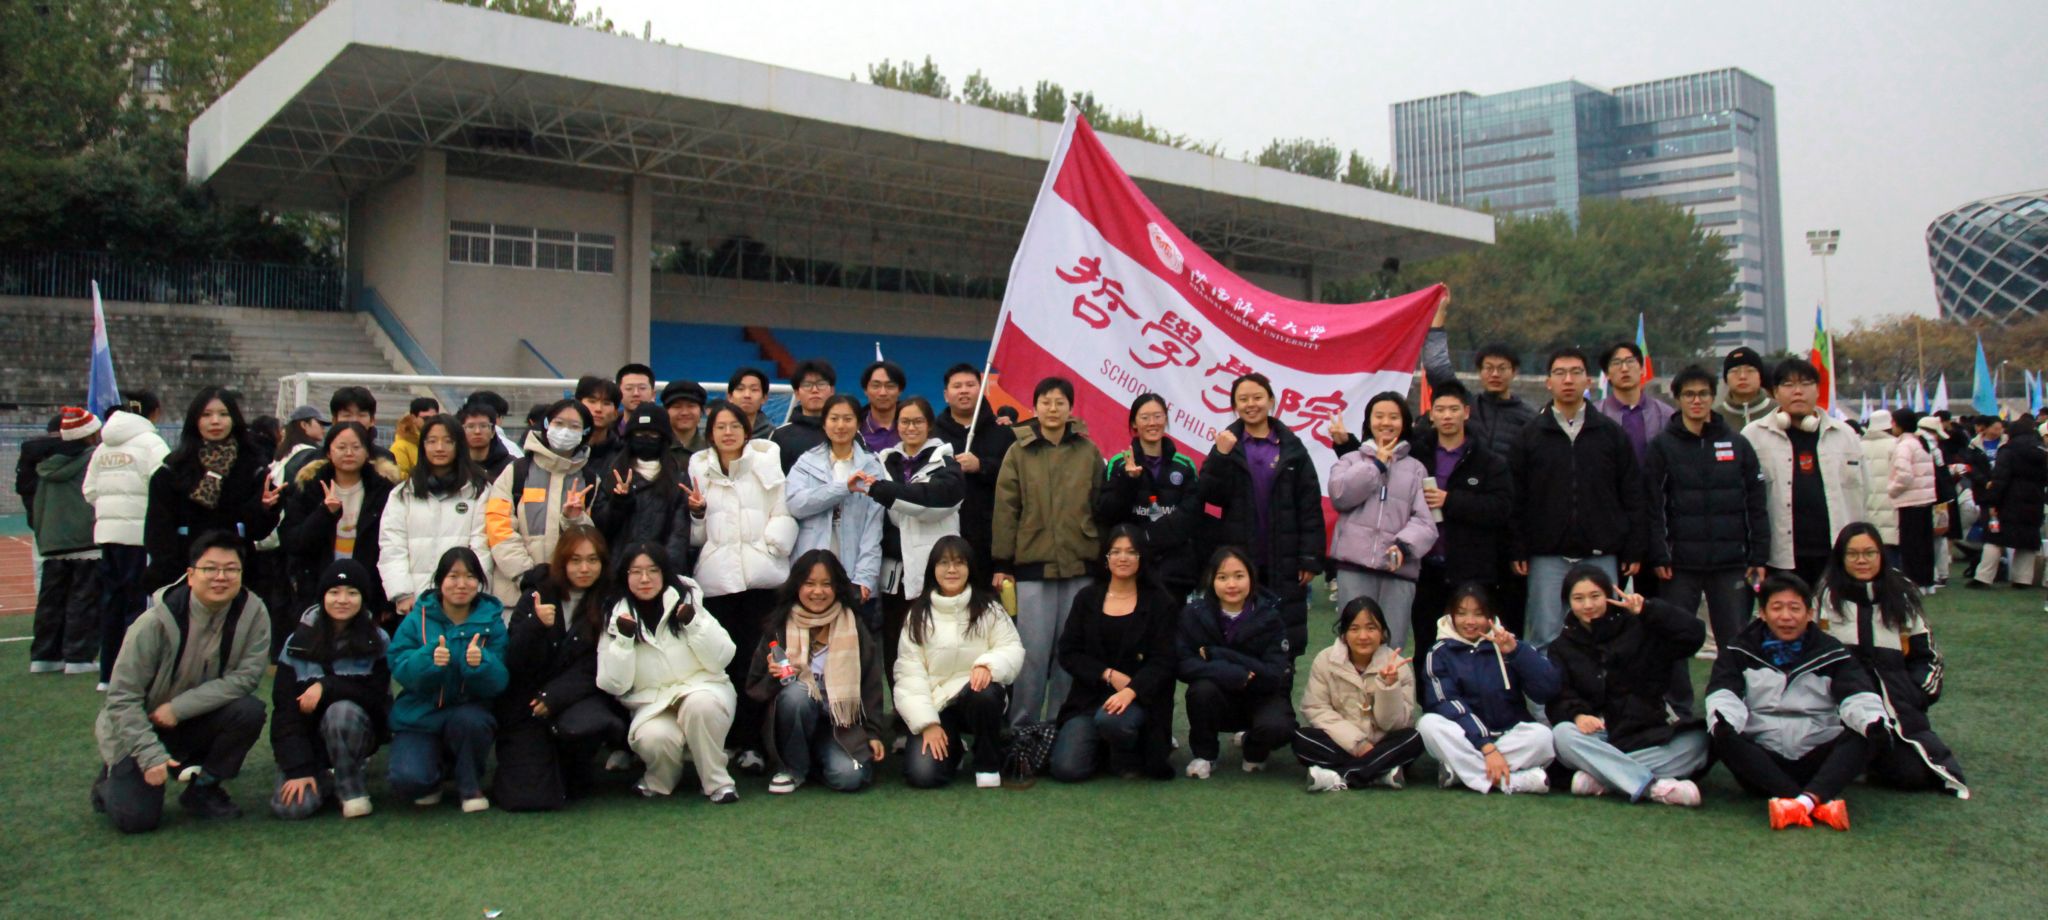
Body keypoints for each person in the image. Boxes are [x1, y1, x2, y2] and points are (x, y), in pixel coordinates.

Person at [92, 532, 271, 832]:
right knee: (137, 819)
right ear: (190, 575)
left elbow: (247, 677)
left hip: (190, 718)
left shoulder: (253, 613)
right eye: (210, 569)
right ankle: (108, 782)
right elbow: (122, 698)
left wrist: (178, 709)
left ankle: (204, 788)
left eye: (231, 569)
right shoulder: (154, 623)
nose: (221, 577)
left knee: (249, 711)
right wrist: (150, 755)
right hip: (142, 725)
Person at [1706, 573, 1885, 830]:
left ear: (1809, 613)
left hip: (1818, 758)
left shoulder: (1832, 652)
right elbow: (1723, 694)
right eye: (1777, 608)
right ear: (1762, 613)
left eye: (1794, 608)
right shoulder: (1738, 651)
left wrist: (1871, 722)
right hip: (1763, 760)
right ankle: (1812, 801)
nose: (1786, 617)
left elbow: (1857, 695)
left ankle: (1800, 803)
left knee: (1868, 732)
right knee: (1719, 730)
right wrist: (1726, 724)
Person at [1814, 523, 1968, 797]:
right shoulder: (1825, 597)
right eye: (1853, 554)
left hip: (1895, 710)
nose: (1862, 560)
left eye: (1869, 553)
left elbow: (1928, 656)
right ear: (1841, 558)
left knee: (1911, 775)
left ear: (1881, 555)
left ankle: (1873, 759)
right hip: (1838, 708)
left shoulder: (1902, 594)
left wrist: (1915, 693)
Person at [1510, 348, 1644, 651]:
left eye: (1575, 373)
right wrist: (1518, 545)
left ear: (1589, 381)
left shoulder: (1610, 434)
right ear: (1548, 382)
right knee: (1546, 637)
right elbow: (1516, 497)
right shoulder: (1530, 436)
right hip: (1546, 554)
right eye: (1560, 373)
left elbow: (1632, 494)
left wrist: (1633, 546)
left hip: (1601, 552)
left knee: (1603, 633)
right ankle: (1548, 686)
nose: (1568, 380)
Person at [687, 403, 796, 770]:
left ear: (746, 431)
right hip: (717, 582)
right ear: (710, 433)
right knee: (723, 662)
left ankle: (757, 743)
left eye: (735, 426)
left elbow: (783, 511)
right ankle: (729, 740)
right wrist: (697, 514)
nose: (728, 432)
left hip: (762, 580)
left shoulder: (766, 462)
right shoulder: (699, 468)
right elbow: (697, 535)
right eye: (720, 427)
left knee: (761, 660)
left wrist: (770, 548)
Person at [1546, 565, 1709, 806]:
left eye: (1595, 596)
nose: (1588, 605)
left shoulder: (1640, 625)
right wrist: (1578, 715)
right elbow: (1559, 695)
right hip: (1599, 735)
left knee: (1699, 741)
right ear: (1568, 602)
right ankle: (1653, 788)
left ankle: (1602, 777)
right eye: (1578, 599)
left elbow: (1693, 636)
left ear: (1608, 595)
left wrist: (1649, 610)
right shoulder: (1561, 646)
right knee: (1563, 735)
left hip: (1646, 731)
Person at [494, 525, 631, 811]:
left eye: (592, 560)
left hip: (576, 698)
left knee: (592, 725)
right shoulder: (537, 594)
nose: (584, 568)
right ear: (562, 561)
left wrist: (554, 697)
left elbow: (595, 664)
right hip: (527, 704)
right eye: (575, 560)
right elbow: (514, 659)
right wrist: (535, 625)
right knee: (528, 799)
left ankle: (575, 768)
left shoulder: (612, 601)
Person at [993, 377, 1105, 725]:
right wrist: (1002, 562)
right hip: (1032, 566)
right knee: (1031, 653)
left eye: (1060, 402)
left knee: (1070, 653)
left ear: (1070, 408)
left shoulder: (1088, 452)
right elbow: (1006, 509)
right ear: (1035, 406)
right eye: (1046, 402)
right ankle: (1023, 727)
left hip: (1080, 565)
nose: (1053, 409)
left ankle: (1063, 725)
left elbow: (1100, 505)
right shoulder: (1018, 451)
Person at [594, 543, 739, 803]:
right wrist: (624, 642)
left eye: (653, 570)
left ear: (664, 573)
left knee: (699, 706)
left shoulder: (688, 601)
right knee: (654, 737)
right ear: (625, 575)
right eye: (636, 571)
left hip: (703, 688)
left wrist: (693, 624)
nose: (645, 579)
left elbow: (722, 657)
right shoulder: (615, 615)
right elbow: (613, 684)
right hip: (652, 703)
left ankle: (717, 782)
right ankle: (661, 779)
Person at [1197, 372, 1325, 658]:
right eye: (1243, 399)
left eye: (1257, 397)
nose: (1251, 404)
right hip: (1240, 556)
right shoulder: (1227, 445)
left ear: (1271, 401)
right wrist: (1220, 456)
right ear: (1234, 406)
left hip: (1284, 556)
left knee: (1282, 636)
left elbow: (1309, 506)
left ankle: (1281, 682)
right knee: (1239, 635)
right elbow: (1207, 496)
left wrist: (1309, 557)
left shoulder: (1292, 448)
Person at [1643, 365, 1769, 651]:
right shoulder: (1662, 447)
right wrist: (1660, 553)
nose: (1696, 400)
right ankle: (1677, 685)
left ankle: (1733, 682)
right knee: (1674, 640)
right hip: (1679, 565)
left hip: (1730, 563)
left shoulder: (1738, 444)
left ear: (1713, 397)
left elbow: (1756, 503)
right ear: (1678, 399)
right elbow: (1653, 505)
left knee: (1735, 641)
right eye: (1689, 394)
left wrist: (1758, 555)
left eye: (1703, 394)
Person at [748, 550, 887, 794]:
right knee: (797, 694)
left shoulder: (853, 625)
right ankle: (793, 769)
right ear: (797, 586)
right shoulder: (779, 627)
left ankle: (818, 760)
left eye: (826, 584)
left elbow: (872, 683)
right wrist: (774, 677)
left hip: (840, 726)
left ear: (837, 588)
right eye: (810, 583)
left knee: (849, 778)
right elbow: (754, 688)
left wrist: (873, 732)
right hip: (795, 723)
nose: (818, 592)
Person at [1050, 526, 1180, 782]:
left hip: (1140, 698)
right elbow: (1069, 652)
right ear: (1106, 558)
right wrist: (1107, 674)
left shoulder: (1161, 602)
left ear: (1142, 557)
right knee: (1066, 769)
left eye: (1131, 552)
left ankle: (1126, 752)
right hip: (1090, 698)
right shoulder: (1087, 598)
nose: (1123, 558)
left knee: (1112, 721)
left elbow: (1164, 661)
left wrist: (1130, 691)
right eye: (1116, 552)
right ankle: (1102, 749)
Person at [895, 535, 1024, 789]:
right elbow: (909, 674)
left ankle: (987, 762)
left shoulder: (989, 609)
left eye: (959, 562)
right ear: (933, 569)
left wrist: (987, 665)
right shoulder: (918, 615)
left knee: (985, 693)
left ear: (969, 567)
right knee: (923, 776)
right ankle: (953, 749)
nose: (951, 569)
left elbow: (1012, 648)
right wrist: (927, 723)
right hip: (937, 705)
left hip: (976, 699)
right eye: (944, 563)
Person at [385, 547, 506, 812]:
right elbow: (398, 664)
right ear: (440, 581)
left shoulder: (493, 622)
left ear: (480, 582)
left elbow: (501, 680)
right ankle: (434, 774)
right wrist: (427, 661)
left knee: (473, 722)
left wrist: (481, 664)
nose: (462, 584)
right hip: (420, 715)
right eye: (453, 576)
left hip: (467, 712)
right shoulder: (417, 618)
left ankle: (469, 783)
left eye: (470, 576)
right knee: (408, 780)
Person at [269, 559, 390, 820]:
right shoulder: (296, 642)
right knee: (292, 808)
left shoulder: (377, 640)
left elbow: (378, 701)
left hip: (355, 731)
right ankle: (323, 775)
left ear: (363, 598)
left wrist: (327, 686)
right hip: (307, 740)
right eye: (334, 592)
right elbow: (284, 710)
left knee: (341, 711)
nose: (342, 600)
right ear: (323, 596)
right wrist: (299, 768)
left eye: (352, 593)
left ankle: (350, 787)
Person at [867, 395, 963, 710]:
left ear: (929, 425)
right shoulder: (882, 461)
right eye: (905, 421)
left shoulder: (945, 461)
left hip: (936, 571)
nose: (911, 427)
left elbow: (939, 501)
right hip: (895, 573)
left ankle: (938, 712)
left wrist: (886, 492)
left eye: (918, 421)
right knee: (896, 645)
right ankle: (902, 711)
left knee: (934, 645)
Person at [1417, 584, 1560, 794]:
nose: (1470, 621)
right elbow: (1447, 702)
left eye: (1478, 614)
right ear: (1451, 615)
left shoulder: (1507, 644)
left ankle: (1463, 773)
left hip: (1508, 735)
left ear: (1491, 616)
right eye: (1462, 614)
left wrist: (1516, 652)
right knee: (1428, 724)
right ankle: (1511, 781)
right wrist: (1486, 746)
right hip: (1466, 738)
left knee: (1543, 737)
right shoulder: (1439, 653)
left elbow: (1547, 689)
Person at [1408, 381, 1515, 655]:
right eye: (1440, 409)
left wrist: (1450, 501)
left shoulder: (1488, 460)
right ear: (1431, 414)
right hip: (1425, 568)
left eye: (1453, 409)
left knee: (1472, 644)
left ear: (1466, 412)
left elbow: (1501, 508)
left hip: (1470, 568)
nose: (1447, 416)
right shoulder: (1416, 455)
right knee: (1426, 643)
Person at [1327, 392, 1437, 651]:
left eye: (1393, 417)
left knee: (1391, 645)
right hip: (1354, 568)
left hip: (1398, 572)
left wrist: (1404, 545)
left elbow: (1426, 521)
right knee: (1352, 643)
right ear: (1368, 421)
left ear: (1404, 422)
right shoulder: (1350, 460)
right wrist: (1377, 465)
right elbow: (1340, 496)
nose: (1386, 422)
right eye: (1379, 416)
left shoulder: (1417, 468)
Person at [1742, 359, 1867, 585]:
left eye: (1806, 384)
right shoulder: (1754, 435)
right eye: (1788, 385)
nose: (1798, 391)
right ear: (1775, 392)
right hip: (1778, 556)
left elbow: (1865, 491)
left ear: (1818, 390)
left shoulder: (1844, 434)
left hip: (1836, 553)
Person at [142, 387, 280, 593]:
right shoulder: (172, 470)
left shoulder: (252, 467)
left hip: (237, 574)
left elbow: (257, 531)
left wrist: (265, 508)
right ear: (194, 420)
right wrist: (176, 575)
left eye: (223, 414)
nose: (215, 421)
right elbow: (158, 533)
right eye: (206, 415)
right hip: (184, 575)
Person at [1177, 547, 1296, 778]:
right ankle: (1205, 755)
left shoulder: (1271, 615)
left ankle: (1254, 746)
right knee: (1200, 690)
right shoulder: (1193, 613)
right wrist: (1227, 672)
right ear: (1211, 580)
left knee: (1279, 728)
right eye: (1222, 577)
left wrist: (1220, 654)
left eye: (1239, 576)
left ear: (1251, 577)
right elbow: (1183, 662)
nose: (1231, 584)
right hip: (1218, 695)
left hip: (1262, 694)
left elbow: (1274, 674)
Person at [1294, 597, 1423, 793]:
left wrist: (1388, 686)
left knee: (1413, 739)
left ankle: (1338, 776)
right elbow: (1316, 709)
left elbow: (1395, 724)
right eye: (1354, 629)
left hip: (1383, 742)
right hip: (1343, 743)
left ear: (1382, 633)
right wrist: (1358, 744)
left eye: (1371, 628)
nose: (1363, 636)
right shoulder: (1325, 660)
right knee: (1301, 739)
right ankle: (1379, 772)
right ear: (1344, 634)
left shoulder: (1397, 665)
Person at [279, 422, 400, 629]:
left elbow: (392, 545)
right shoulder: (309, 486)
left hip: (368, 588)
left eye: (356, 447)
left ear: (367, 452)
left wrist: (385, 600)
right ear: (328, 452)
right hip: (317, 586)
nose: (349, 453)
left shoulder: (384, 490)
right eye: (341, 447)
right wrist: (325, 513)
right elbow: (293, 541)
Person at [84, 404, 171, 687]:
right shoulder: (151, 442)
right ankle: (135, 674)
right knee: (140, 604)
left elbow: (90, 491)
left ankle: (108, 674)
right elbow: (165, 483)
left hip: (108, 534)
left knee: (112, 601)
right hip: (140, 535)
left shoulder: (102, 448)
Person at [378, 415, 491, 625]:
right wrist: (402, 593)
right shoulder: (403, 493)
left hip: (464, 602)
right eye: (432, 441)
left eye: (448, 441)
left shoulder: (478, 491)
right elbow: (392, 545)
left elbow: (481, 545)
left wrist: (473, 591)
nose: (440, 448)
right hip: (415, 605)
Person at [1091, 394, 1203, 602]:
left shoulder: (1185, 465)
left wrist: (1151, 536)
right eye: (1145, 417)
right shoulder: (1119, 463)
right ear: (1134, 423)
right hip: (1131, 569)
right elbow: (1107, 514)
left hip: (1175, 571)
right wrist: (1129, 481)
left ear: (1166, 420)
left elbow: (1192, 515)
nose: (1152, 423)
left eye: (1158, 416)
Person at [485, 398, 596, 601]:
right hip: (515, 593)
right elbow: (498, 527)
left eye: (574, 426)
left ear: (585, 432)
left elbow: (591, 540)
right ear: (546, 424)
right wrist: (525, 574)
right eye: (559, 423)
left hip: (569, 595)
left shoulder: (589, 480)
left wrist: (573, 519)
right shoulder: (516, 471)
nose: (565, 431)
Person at [786, 395, 886, 606]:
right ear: (824, 423)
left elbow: (873, 527)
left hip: (853, 568)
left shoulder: (872, 466)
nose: (840, 425)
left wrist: (865, 576)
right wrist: (843, 488)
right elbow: (796, 505)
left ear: (858, 424)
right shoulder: (806, 463)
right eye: (834, 419)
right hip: (810, 565)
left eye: (848, 419)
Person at [29, 408, 104, 676]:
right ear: (90, 434)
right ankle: (78, 657)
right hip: (85, 539)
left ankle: (45, 655)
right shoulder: (94, 458)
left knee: (51, 600)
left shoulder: (47, 464)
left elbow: (38, 504)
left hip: (53, 540)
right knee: (84, 599)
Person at [1420, 295, 1536, 458]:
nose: (1495, 374)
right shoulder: (1466, 406)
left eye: (1502, 368)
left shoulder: (1530, 418)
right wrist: (1440, 312)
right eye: (1489, 368)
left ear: (1514, 372)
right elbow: (1436, 367)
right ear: (1479, 371)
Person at [932, 364, 1016, 575]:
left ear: (981, 389)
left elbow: (1016, 478)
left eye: (970, 385)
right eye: (957, 386)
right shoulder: (932, 434)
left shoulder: (1003, 432)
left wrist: (982, 466)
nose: (964, 391)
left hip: (990, 539)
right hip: (943, 536)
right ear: (946, 395)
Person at [589, 407, 694, 569]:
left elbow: (679, 533)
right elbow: (600, 527)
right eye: (639, 434)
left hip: (662, 570)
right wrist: (619, 503)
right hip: (618, 569)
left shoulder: (678, 477)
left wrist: (665, 570)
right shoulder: (613, 473)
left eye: (653, 435)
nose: (646, 439)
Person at [1973, 416, 2043, 588]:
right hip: (2035, 501)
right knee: (2027, 541)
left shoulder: (2008, 450)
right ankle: (2023, 580)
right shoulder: (2041, 451)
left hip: (2009, 501)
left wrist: (1991, 500)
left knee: (1995, 538)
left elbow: (2000, 478)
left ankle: (1983, 577)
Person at [1595, 341, 1676, 464]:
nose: (1624, 369)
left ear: (1642, 369)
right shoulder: (1595, 414)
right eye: (1616, 363)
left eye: (1630, 361)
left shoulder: (1664, 414)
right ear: (1607, 374)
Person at [1888, 409, 1940, 588]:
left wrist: (1891, 490)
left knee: (1911, 547)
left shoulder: (1904, 446)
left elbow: (1904, 475)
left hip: (1910, 501)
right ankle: (1926, 582)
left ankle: (1913, 582)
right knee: (1924, 545)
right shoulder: (1920, 442)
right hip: (1924, 499)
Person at [770, 359, 836, 474]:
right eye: (807, 385)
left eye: (821, 384)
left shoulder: (847, 430)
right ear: (797, 393)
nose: (814, 390)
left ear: (832, 390)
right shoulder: (781, 435)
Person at [1859, 409, 1901, 560]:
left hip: (1866, 505)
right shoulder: (1896, 445)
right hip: (1892, 506)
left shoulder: (1859, 445)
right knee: (1892, 556)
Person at [1714, 346, 1778, 432]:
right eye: (1734, 371)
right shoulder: (1715, 417)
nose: (1742, 376)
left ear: (1760, 377)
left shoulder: (1778, 410)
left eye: (1750, 370)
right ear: (1726, 379)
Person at [327, 387, 394, 464]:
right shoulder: (317, 460)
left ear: (372, 420)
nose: (355, 421)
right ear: (334, 421)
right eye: (347, 415)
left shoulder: (385, 459)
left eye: (361, 415)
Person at [575, 375, 624, 472]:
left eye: (606, 403)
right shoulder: (563, 447)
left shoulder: (623, 454)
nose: (598, 409)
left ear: (615, 413)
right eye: (592, 401)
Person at [857, 359, 906, 454]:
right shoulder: (854, 429)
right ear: (865, 390)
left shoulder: (914, 428)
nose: (883, 393)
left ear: (900, 391)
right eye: (876, 386)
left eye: (890, 386)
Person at [457, 403, 513, 480]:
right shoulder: (455, 467)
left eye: (483, 426)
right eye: (471, 426)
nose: (477, 431)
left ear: (493, 432)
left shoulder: (512, 467)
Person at [389, 396, 441, 478]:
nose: (431, 422)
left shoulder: (442, 443)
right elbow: (397, 476)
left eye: (435, 418)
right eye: (426, 418)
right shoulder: (400, 447)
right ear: (413, 418)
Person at [659, 378, 709, 460]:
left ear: (701, 411)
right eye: (677, 407)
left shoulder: (712, 449)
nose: (684, 413)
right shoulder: (656, 447)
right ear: (665, 411)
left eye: (691, 406)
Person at [726, 367, 777, 440]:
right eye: (740, 389)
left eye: (754, 390)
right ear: (730, 397)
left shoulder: (773, 435)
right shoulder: (715, 432)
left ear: (764, 398)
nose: (747, 395)